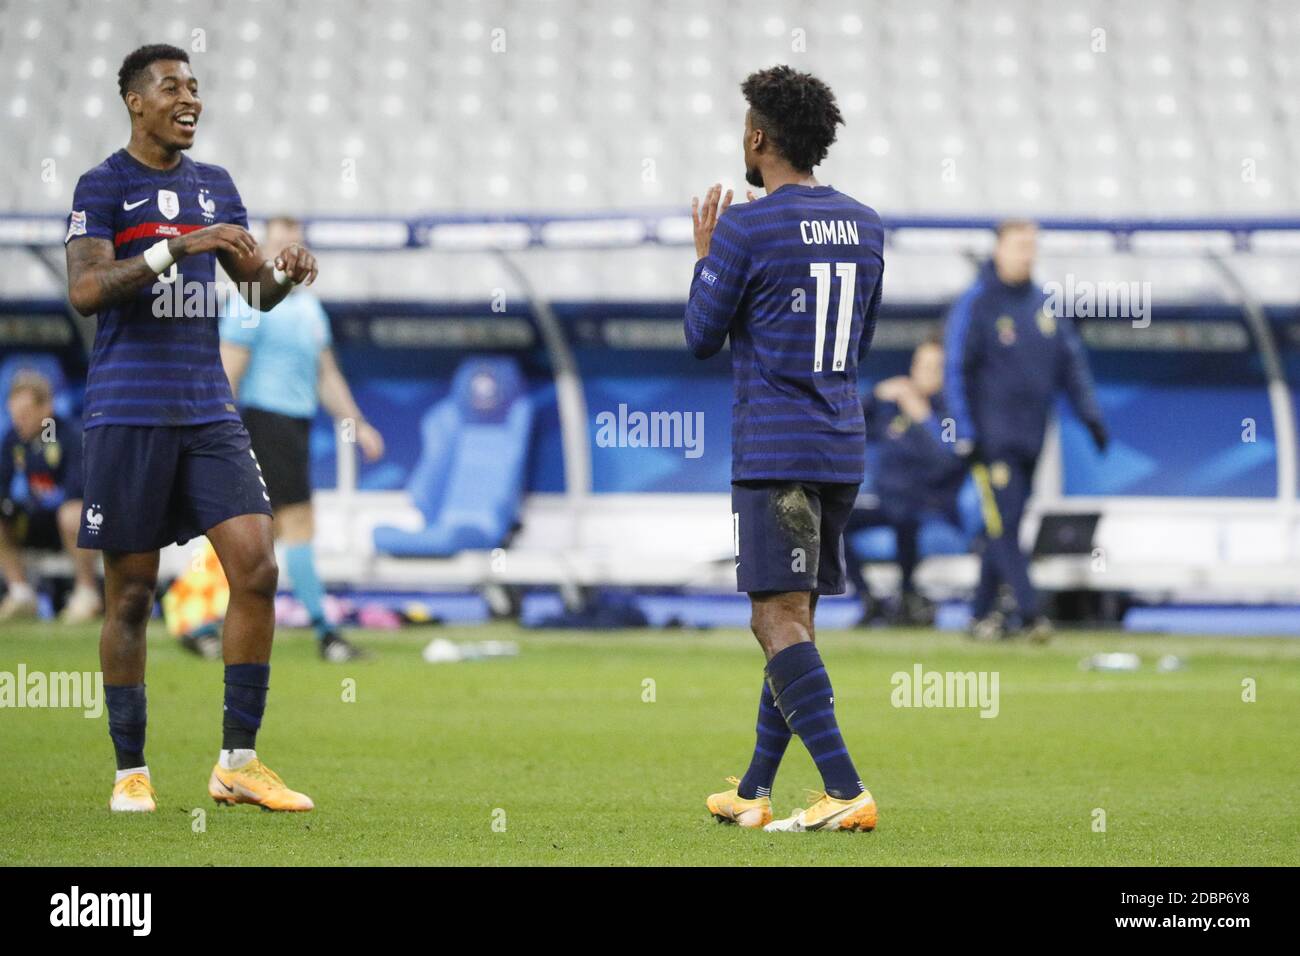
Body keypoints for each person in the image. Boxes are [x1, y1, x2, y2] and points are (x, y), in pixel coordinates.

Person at [64, 43, 317, 812]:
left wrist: (283, 274)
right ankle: (130, 771)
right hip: (129, 411)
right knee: (133, 595)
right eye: (172, 86)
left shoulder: (217, 187)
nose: (190, 98)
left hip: (208, 408)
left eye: (196, 87)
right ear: (135, 101)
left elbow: (253, 293)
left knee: (258, 567)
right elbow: (86, 289)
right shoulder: (102, 186)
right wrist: (180, 248)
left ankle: (237, 761)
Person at [687, 65, 884, 832]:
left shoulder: (747, 225)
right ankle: (753, 788)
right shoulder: (865, 224)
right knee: (793, 616)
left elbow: (701, 336)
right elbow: (859, 340)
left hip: (774, 449)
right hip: (839, 445)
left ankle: (844, 788)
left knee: (774, 618)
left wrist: (706, 257)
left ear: (760, 137)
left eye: (746, 125)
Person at [220, 216, 384, 663]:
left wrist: (358, 424)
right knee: (292, 527)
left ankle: (212, 624)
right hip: (262, 424)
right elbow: (227, 373)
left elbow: (326, 376)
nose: (289, 248)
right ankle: (326, 635)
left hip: (295, 427)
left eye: (295, 240)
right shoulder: (250, 302)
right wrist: (221, 436)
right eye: (280, 240)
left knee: (261, 535)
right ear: (263, 249)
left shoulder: (310, 309)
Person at [943, 220, 1107, 642]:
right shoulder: (976, 303)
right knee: (1002, 524)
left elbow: (1072, 366)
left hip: (1032, 439)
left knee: (1008, 526)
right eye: (1019, 246)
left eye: (1032, 247)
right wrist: (963, 430)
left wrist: (1091, 418)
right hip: (990, 441)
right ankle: (1031, 614)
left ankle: (980, 615)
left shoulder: (1043, 306)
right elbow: (955, 369)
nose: (1026, 254)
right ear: (998, 249)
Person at [846, 337, 966, 625]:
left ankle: (907, 597)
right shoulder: (893, 409)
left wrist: (923, 417)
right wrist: (876, 395)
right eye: (919, 365)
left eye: (933, 368)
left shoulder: (951, 412)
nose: (923, 374)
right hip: (887, 503)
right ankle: (868, 597)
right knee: (829, 520)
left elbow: (946, 461)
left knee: (905, 518)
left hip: (932, 507)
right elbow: (847, 422)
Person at [0, 371, 101, 622]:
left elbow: (79, 489)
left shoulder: (69, 436)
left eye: (25, 414)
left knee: (72, 513)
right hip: (31, 522)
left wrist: (46, 498)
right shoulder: (13, 440)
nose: (19, 421)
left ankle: (86, 592)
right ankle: (20, 592)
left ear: (46, 408)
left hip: (69, 527)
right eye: (15, 414)